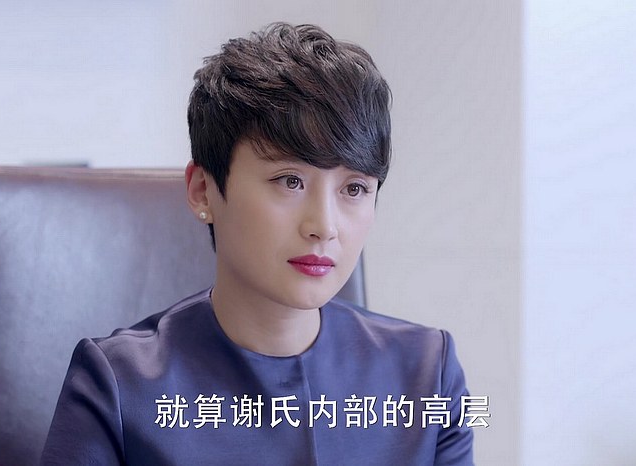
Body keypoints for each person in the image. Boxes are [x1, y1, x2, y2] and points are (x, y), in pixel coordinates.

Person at [40, 22, 474, 465]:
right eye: (290, 181)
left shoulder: (427, 374)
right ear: (203, 191)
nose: (325, 226)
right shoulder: (116, 386)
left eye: (354, 189)